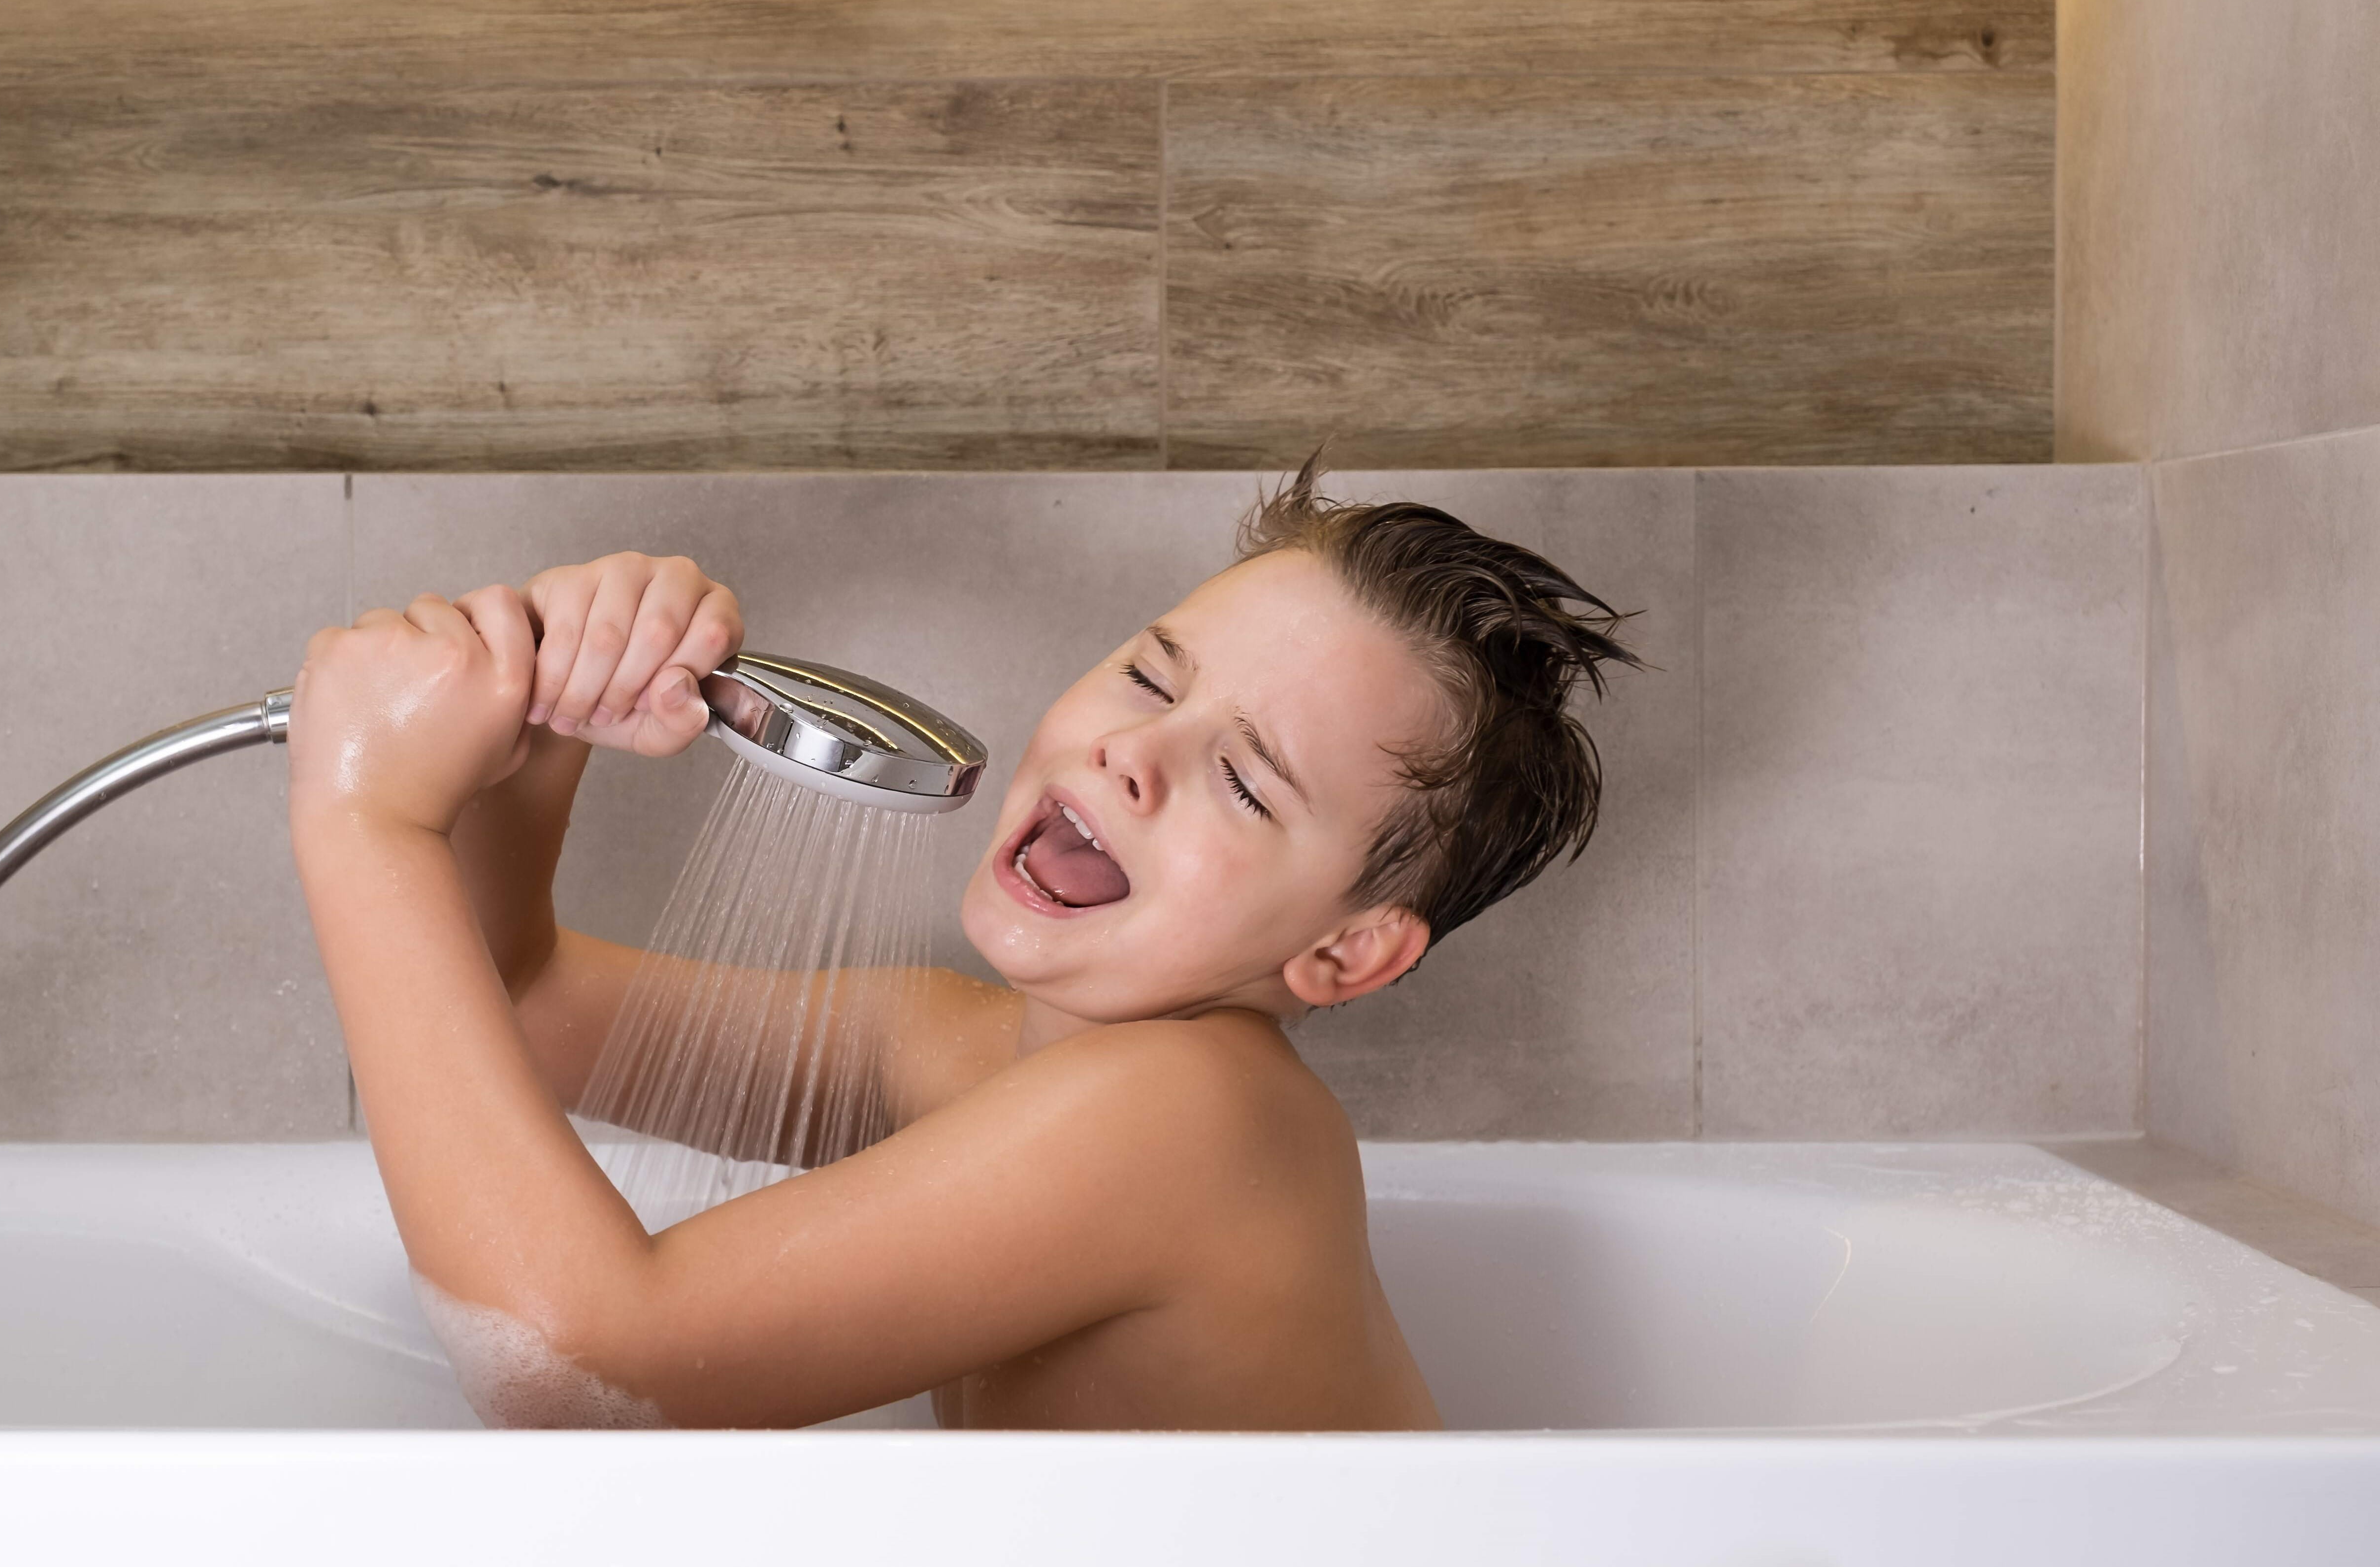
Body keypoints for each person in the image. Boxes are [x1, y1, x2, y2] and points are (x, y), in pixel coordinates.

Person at [287, 462, 1638, 1430]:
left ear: (1347, 954)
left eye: (1244, 780)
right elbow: (519, 1007)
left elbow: (583, 1369)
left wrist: (366, 819)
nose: (1131, 750)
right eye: (1154, 676)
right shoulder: (965, 1044)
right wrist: (534, 750)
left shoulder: (1203, 1118)